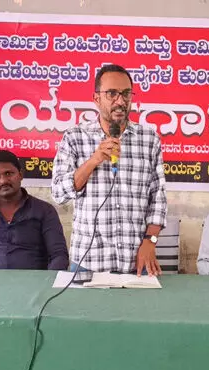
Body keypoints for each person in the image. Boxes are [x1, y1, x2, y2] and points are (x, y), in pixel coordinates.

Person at [51, 64, 167, 276]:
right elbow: (59, 193)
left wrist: (150, 241)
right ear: (96, 99)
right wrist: (93, 161)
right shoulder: (75, 137)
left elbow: (158, 198)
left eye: (126, 94)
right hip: (88, 261)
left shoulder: (149, 139)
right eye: (112, 93)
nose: (120, 101)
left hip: (135, 262)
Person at [0, 150, 68, 270]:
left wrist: (49, 281)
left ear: (20, 174)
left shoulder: (45, 210)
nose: (3, 181)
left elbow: (59, 255)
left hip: (33, 281)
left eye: (8, 173)